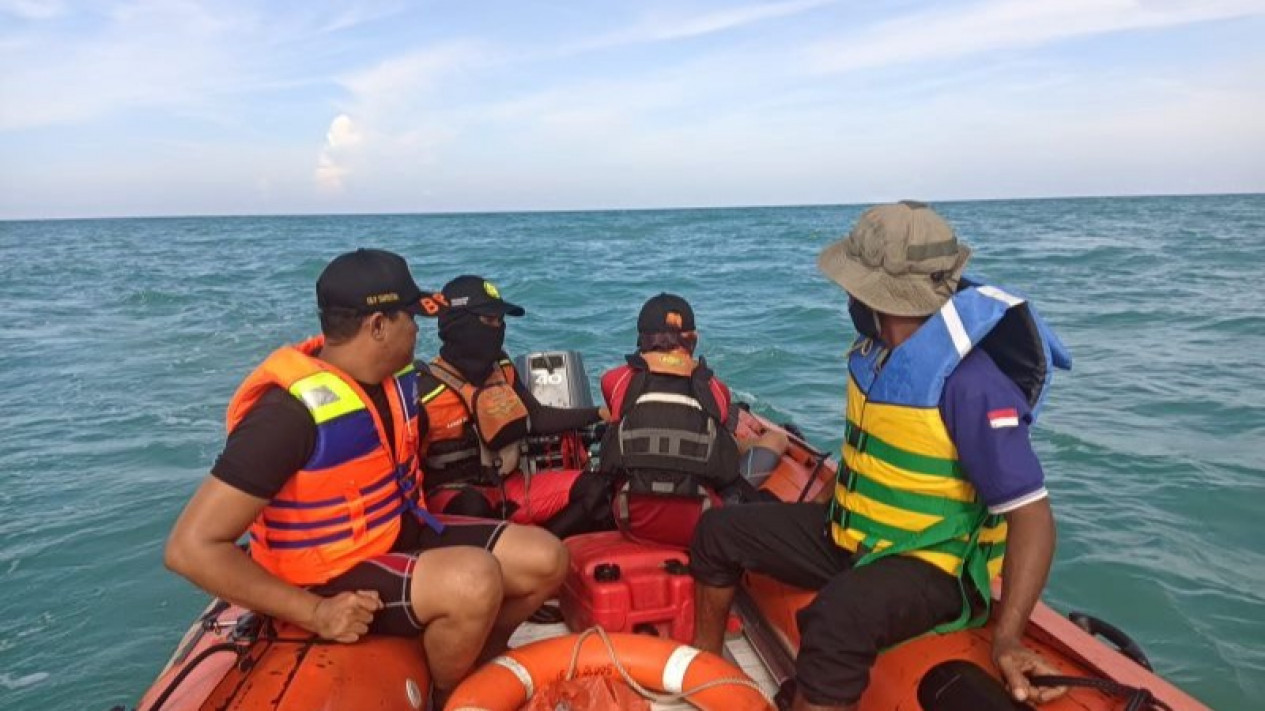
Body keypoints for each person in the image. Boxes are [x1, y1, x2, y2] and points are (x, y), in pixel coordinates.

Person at [688, 201, 1073, 710]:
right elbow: (875, 455)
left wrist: (1008, 639)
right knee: (718, 533)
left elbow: (1032, 515)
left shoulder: (971, 383)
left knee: (837, 617)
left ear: (873, 293)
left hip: (934, 565)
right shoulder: (876, 354)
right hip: (856, 534)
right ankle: (702, 682)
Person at [164, 249, 568, 708]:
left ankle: (475, 663)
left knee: (545, 558)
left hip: (395, 533)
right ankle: (449, 696)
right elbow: (189, 548)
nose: (419, 328)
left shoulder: (397, 385)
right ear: (378, 325)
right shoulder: (286, 415)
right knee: (475, 580)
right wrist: (316, 612)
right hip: (325, 572)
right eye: (409, 317)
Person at [417, 274, 612, 539]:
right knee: (473, 506)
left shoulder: (503, 368)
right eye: (489, 320)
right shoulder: (425, 391)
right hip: (453, 500)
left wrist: (599, 413)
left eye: (500, 321)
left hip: (510, 488)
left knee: (596, 487)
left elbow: (537, 418)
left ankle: (541, 550)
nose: (498, 328)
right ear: (459, 324)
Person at [597, 293, 788, 548]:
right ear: (693, 340)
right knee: (776, 440)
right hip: (698, 523)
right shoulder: (715, 388)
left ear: (642, 339)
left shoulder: (614, 380)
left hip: (631, 519)